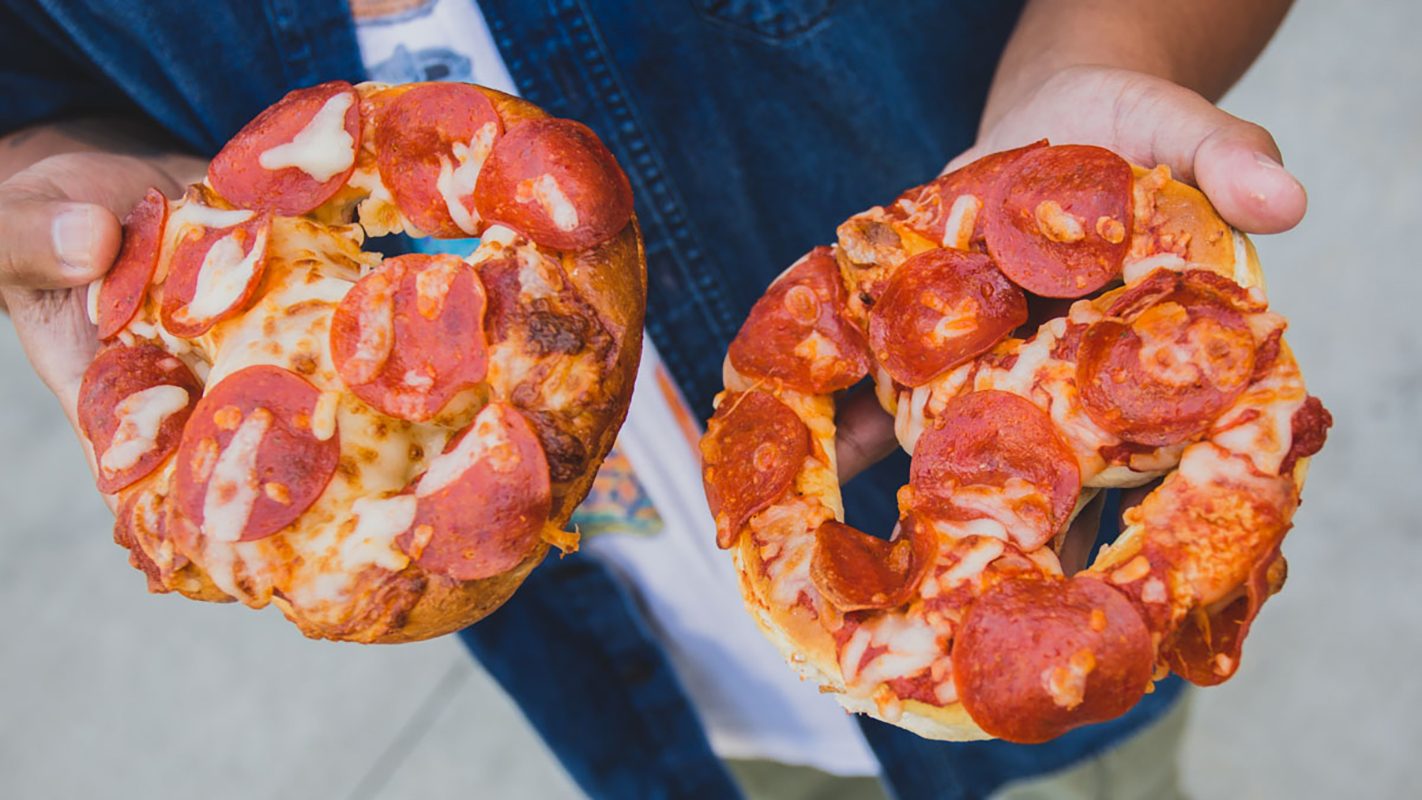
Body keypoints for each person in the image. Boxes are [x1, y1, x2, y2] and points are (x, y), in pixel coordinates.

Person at [0, 1, 1307, 797]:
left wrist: (1093, 56)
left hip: (1010, 633)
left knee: (1078, 778)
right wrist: (57, 187)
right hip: (628, 671)